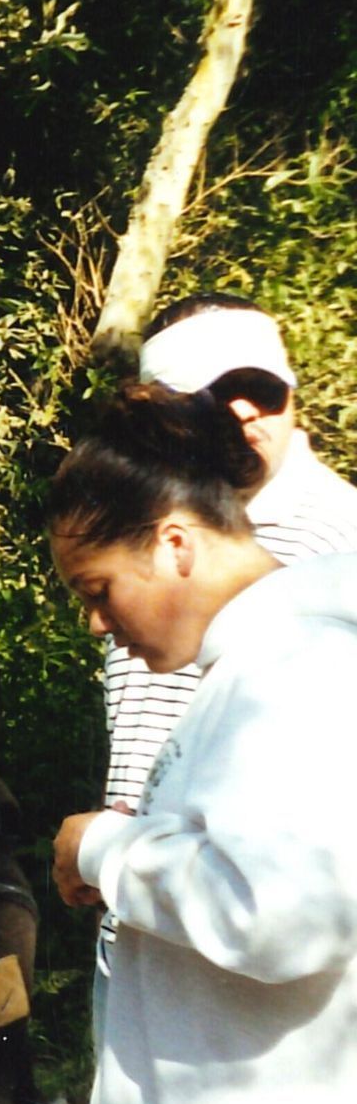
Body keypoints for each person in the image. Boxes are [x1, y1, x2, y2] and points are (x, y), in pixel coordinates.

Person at [48, 384, 357, 1104]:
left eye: (99, 589)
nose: (98, 625)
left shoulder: (302, 666)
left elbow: (285, 912)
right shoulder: (254, 662)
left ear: (175, 543)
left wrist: (104, 845)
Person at [96, 295, 357, 819]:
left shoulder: (339, 543)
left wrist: (123, 850)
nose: (244, 410)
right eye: (215, 394)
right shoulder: (145, 531)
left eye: (262, 389)